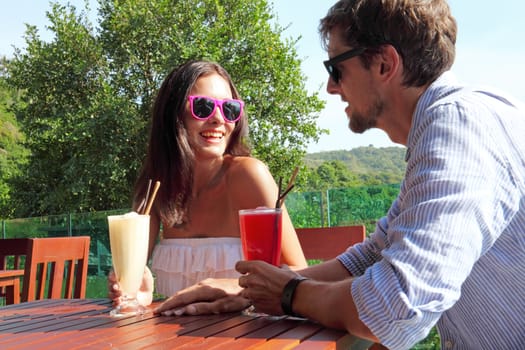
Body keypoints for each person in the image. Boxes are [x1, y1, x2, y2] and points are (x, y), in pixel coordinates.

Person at [154, 1, 525, 349]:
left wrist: (289, 295)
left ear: (384, 64)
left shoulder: (458, 125)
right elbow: (375, 254)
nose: (331, 86)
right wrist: (251, 289)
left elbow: (395, 309)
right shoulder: (443, 127)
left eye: (336, 68)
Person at [109, 60, 307, 306]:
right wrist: (137, 291)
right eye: (202, 107)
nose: (218, 118)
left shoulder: (248, 175)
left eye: (229, 109)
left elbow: (298, 272)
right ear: (173, 115)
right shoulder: (157, 187)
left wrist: (236, 288)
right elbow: (133, 270)